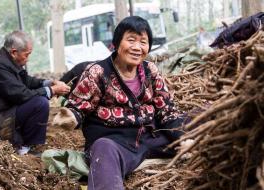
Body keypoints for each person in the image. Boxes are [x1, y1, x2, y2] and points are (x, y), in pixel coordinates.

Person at [52, 16, 186, 189]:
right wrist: (71, 115)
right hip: (116, 143)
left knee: (198, 119)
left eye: (143, 42)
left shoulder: (150, 70)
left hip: (150, 138)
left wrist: (183, 137)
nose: (137, 47)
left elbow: (167, 109)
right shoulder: (97, 72)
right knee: (103, 148)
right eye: (131, 40)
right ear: (116, 43)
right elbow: (79, 106)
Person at [0, 30, 70, 155]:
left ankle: (28, 145)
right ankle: (25, 148)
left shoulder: (6, 60)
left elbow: (26, 80)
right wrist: (52, 90)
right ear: (14, 52)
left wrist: (49, 83)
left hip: (2, 112)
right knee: (39, 103)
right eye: (27, 55)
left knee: (39, 100)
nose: (28, 59)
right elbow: (21, 95)